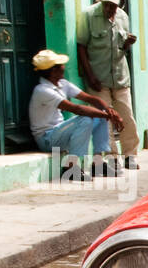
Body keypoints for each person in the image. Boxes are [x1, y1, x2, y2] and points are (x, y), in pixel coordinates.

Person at [29, 49, 122, 182]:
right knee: (87, 118)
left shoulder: (62, 84)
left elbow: (91, 99)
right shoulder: (42, 90)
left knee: (99, 117)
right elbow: (77, 109)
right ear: (53, 71)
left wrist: (108, 111)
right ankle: (70, 168)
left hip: (60, 132)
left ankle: (98, 163)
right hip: (47, 139)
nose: (63, 67)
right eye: (60, 65)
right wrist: (109, 115)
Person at [76, 0, 139, 170]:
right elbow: (81, 47)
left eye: (114, 5)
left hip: (120, 76)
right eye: (107, 5)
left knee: (126, 115)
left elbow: (121, 46)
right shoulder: (88, 16)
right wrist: (90, 76)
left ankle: (130, 155)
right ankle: (112, 157)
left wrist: (128, 43)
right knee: (105, 118)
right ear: (101, 0)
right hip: (98, 78)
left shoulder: (123, 17)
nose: (110, 9)